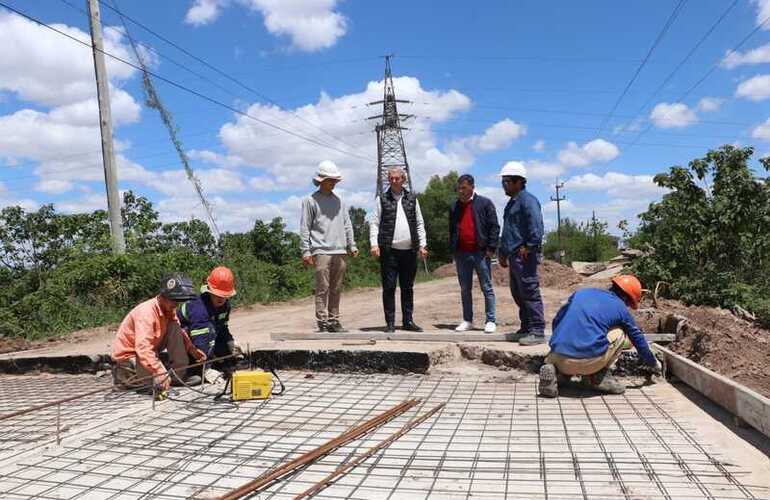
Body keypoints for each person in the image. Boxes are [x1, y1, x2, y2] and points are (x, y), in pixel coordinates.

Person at [538, 275, 663, 398]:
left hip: (557, 357)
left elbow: (557, 321)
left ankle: (559, 374)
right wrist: (653, 363)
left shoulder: (581, 294)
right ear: (626, 298)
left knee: (567, 327)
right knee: (620, 332)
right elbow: (637, 338)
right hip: (590, 363)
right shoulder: (620, 308)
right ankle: (597, 377)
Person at [112, 274, 207, 392]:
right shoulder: (146, 314)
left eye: (178, 301)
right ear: (163, 296)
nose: (176, 304)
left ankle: (176, 376)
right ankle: (125, 378)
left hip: (146, 353)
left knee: (174, 326)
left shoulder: (168, 309)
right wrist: (159, 370)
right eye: (174, 300)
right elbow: (143, 348)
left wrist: (191, 349)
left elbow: (178, 331)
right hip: (130, 358)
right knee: (157, 385)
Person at [299, 160, 359, 332]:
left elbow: (347, 224)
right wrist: (306, 251)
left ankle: (334, 320)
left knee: (336, 288)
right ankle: (323, 320)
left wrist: (352, 245)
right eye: (329, 180)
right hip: (321, 250)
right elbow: (305, 227)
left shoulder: (340, 201)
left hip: (340, 250)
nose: (333, 183)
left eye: (335, 180)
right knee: (322, 288)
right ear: (320, 180)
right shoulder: (310, 201)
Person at [370, 167, 428, 332]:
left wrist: (423, 245)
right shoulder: (381, 199)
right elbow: (374, 222)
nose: (394, 181)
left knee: (407, 287)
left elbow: (419, 223)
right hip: (389, 251)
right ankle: (390, 323)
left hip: (409, 251)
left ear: (403, 179)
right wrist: (374, 244)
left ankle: (408, 321)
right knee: (388, 287)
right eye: (391, 178)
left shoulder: (412, 198)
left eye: (397, 178)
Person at [498, 161, 546, 346]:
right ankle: (526, 327)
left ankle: (537, 330)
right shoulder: (512, 203)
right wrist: (502, 253)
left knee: (530, 291)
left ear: (519, 182)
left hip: (524, 256)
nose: (504, 185)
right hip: (514, 255)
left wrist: (530, 246)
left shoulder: (528, 201)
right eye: (503, 182)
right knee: (518, 293)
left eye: (507, 181)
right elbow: (509, 231)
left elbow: (536, 227)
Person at [449, 174, 499, 333]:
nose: (461, 191)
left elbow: (494, 227)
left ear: (472, 187)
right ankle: (467, 320)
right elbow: (452, 230)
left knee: (487, 287)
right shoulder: (454, 207)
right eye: (459, 188)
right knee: (465, 288)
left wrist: (491, 249)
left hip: (481, 253)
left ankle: (490, 320)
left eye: (464, 188)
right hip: (462, 254)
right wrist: (453, 250)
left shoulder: (485, 203)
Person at [177, 266, 242, 375]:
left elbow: (222, 328)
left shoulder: (225, 306)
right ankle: (197, 368)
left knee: (228, 355)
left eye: (224, 295)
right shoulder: (198, 308)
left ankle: (214, 360)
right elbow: (200, 340)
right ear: (209, 290)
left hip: (205, 337)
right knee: (209, 331)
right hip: (183, 340)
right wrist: (206, 369)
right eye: (217, 295)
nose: (221, 299)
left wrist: (230, 342)